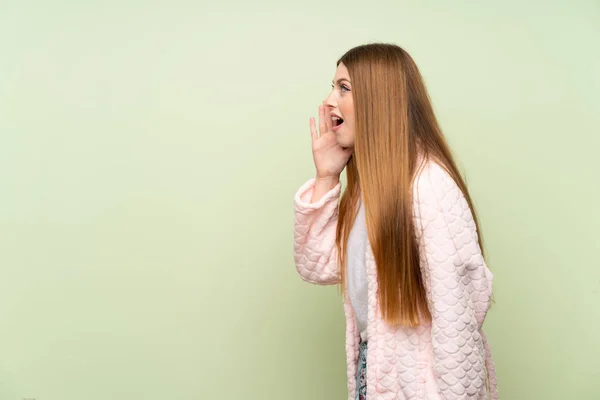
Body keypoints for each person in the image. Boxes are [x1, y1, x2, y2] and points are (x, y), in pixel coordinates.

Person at [292, 43, 498, 400]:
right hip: (376, 375)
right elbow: (318, 265)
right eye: (333, 85)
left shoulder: (429, 188)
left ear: (378, 100)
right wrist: (326, 176)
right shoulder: (369, 191)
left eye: (344, 87)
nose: (328, 100)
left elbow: (457, 330)